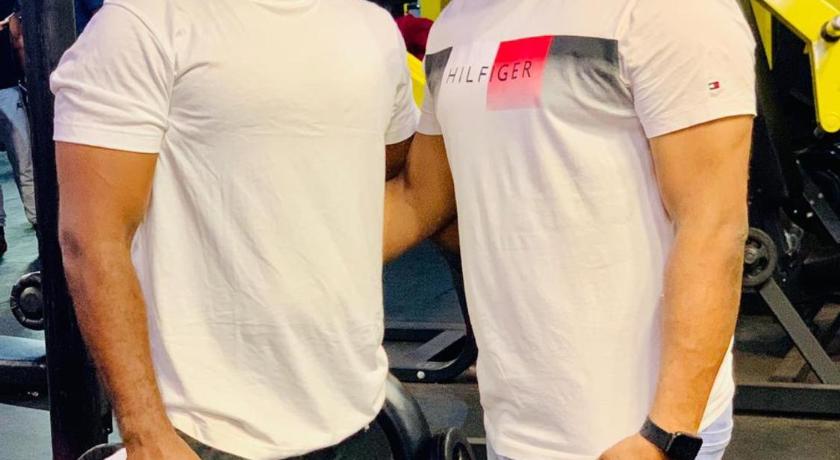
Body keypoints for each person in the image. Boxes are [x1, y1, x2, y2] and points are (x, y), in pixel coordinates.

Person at [384, 1, 756, 459]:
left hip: (632, 432)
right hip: (515, 421)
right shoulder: (458, 23)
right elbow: (420, 197)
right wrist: (302, 259)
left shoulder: (668, 11)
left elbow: (713, 225)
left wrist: (667, 434)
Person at [51, 0, 417, 458]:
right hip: (203, 432)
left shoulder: (372, 29)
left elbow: (362, 197)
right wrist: (145, 431)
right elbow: (91, 240)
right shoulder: (142, 24)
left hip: (357, 411)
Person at [0, 0, 37, 255]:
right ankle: (37, 219)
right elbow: (17, 38)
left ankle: (36, 220)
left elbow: (17, 38)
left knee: (24, 158)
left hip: (8, 84)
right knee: (24, 158)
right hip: (8, 86)